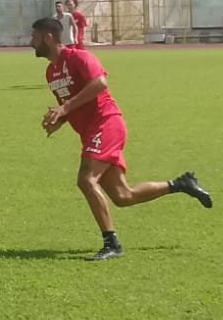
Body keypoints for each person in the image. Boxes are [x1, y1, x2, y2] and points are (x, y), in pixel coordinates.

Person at [31, 17, 210, 260]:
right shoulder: (51, 72)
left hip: (107, 123)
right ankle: (181, 184)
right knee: (123, 196)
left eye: (35, 37)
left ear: (48, 37)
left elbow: (100, 83)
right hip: (92, 132)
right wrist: (59, 119)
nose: (31, 43)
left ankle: (112, 244)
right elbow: (71, 105)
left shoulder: (79, 57)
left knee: (86, 180)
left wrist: (64, 109)